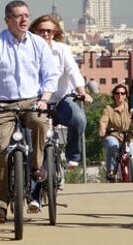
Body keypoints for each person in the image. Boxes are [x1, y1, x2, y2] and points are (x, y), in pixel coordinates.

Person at [0, 0, 60, 223]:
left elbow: (50, 75)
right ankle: (1, 206)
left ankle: (36, 167)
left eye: (26, 15)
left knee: (41, 123)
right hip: (4, 105)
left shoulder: (38, 43)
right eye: (18, 16)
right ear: (7, 20)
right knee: (3, 153)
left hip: (32, 101)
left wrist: (45, 99)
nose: (24, 20)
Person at [28, 15, 93, 168]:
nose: (45, 34)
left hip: (60, 100)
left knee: (79, 120)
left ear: (55, 33)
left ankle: (73, 156)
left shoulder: (62, 50)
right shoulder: (28, 50)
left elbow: (73, 72)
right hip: (37, 101)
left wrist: (82, 92)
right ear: (35, 32)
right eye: (41, 30)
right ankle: (29, 166)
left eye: (49, 31)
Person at [99, 84, 133, 182]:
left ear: (126, 95)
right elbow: (103, 121)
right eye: (117, 93)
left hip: (129, 136)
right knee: (113, 145)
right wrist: (102, 130)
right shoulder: (108, 109)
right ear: (113, 95)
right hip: (113, 135)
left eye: (123, 93)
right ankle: (110, 171)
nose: (120, 95)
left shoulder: (131, 108)